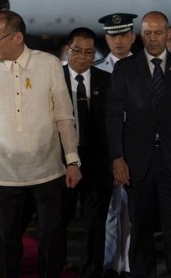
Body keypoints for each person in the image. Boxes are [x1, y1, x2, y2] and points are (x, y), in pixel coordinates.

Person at [0, 10, 82, 278]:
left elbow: (64, 116)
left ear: (18, 37)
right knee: (8, 242)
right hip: (1, 173)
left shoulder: (48, 64)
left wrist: (72, 159)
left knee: (52, 236)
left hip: (47, 170)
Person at [106, 11, 171, 277]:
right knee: (141, 231)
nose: (153, 38)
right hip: (136, 164)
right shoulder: (124, 68)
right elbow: (112, 116)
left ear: (168, 33)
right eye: (147, 32)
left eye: (158, 32)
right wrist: (117, 157)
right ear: (140, 35)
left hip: (170, 163)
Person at [61, 27, 112, 278]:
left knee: (95, 225)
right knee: (56, 224)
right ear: (67, 50)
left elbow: (113, 126)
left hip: (97, 164)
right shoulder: (53, 78)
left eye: (89, 52)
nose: (82, 56)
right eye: (77, 50)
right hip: (60, 163)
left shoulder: (106, 80)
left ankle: (91, 272)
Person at [96, 13, 137, 278]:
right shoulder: (97, 70)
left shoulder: (146, 68)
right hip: (105, 153)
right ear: (106, 38)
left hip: (139, 151)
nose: (118, 41)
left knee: (132, 214)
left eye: (123, 35)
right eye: (113, 35)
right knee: (108, 212)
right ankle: (108, 265)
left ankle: (127, 266)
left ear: (133, 37)